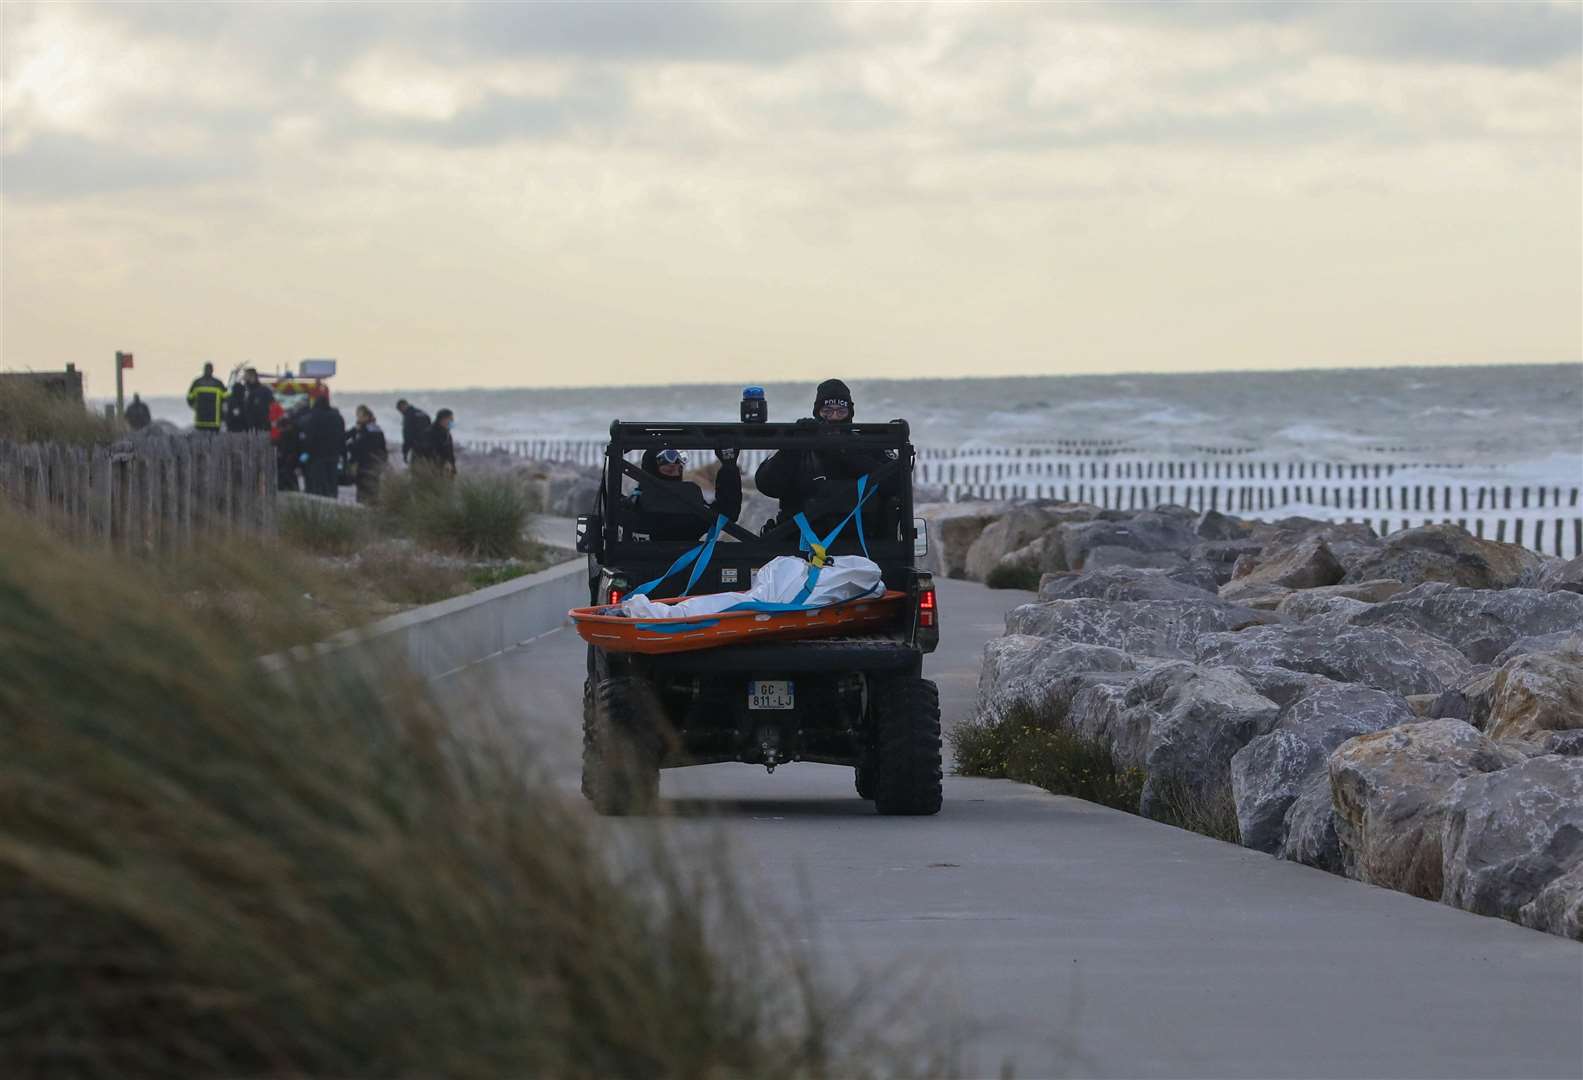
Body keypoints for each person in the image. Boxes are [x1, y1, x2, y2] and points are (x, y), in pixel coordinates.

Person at [754, 378, 895, 540]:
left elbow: (896, 483)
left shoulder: (866, 445)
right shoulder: (802, 445)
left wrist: (842, 452)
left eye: (841, 412)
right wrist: (791, 448)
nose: (834, 418)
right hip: (799, 547)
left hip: (860, 547)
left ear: (850, 414)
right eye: (827, 411)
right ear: (817, 413)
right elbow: (767, 485)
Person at [621, 447, 742, 542]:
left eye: (678, 460)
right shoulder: (635, 505)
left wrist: (729, 467)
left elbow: (727, 513)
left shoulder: (634, 506)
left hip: (683, 563)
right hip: (689, 565)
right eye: (664, 460)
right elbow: (727, 512)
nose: (674, 464)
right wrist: (729, 466)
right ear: (651, 466)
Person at [298, 394, 347, 497]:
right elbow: (342, 436)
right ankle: (333, 500)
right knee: (332, 482)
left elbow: (309, 438)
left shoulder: (313, 417)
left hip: (317, 457)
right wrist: (343, 454)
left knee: (318, 484)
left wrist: (305, 454)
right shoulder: (337, 417)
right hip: (334, 455)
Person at [344, 404, 389, 504]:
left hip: (366, 464)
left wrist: (350, 447)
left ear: (366, 416)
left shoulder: (366, 430)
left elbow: (360, 446)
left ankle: (365, 511)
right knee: (373, 489)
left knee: (364, 491)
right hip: (375, 463)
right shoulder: (374, 428)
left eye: (359, 416)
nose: (358, 418)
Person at [412, 407, 456, 475]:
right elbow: (428, 452)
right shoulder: (430, 433)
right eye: (451, 419)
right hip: (430, 471)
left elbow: (450, 452)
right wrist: (440, 466)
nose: (452, 421)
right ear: (443, 420)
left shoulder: (447, 433)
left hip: (444, 470)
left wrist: (453, 468)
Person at [186, 362, 226, 433]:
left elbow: (190, 398)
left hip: (200, 419)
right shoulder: (218, 383)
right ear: (212, 370)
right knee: (214, 441)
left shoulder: (197, 382)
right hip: (214, 420)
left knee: (201, 441)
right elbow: (226, 398)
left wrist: (194, 407)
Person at [396, 399, 431, 464]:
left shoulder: (409, 416)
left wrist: (405, 452)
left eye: (400, 410)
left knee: (415, 469)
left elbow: (407, 435)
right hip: (428, 446)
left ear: (403, 406)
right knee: (426, 468)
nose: (401, 413)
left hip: (417, 447)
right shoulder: (423, 413)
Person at [241, 368, 275, 433]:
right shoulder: (244, 391)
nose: (244, 378)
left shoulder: (264, 391)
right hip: (247, 429)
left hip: (262, 428)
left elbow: (271, 407)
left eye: (245, 376)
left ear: (252, 376)